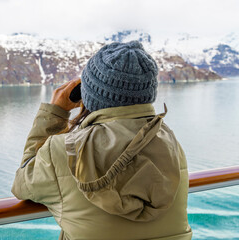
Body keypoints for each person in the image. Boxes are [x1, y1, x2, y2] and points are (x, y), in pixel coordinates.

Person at [12, 40, 192, 240]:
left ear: (87, 94)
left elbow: (22, 184)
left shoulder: (63, 150)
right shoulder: (170, 144)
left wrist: (55, 113)